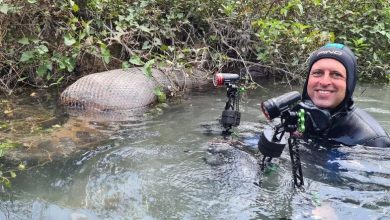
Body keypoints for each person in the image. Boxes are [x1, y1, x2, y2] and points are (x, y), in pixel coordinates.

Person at [301, 43, 390, 148]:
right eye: (317, 73)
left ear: (349, 83)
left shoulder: (373, 141)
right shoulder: (296, 116)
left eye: (336, 74)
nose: (324, 82)